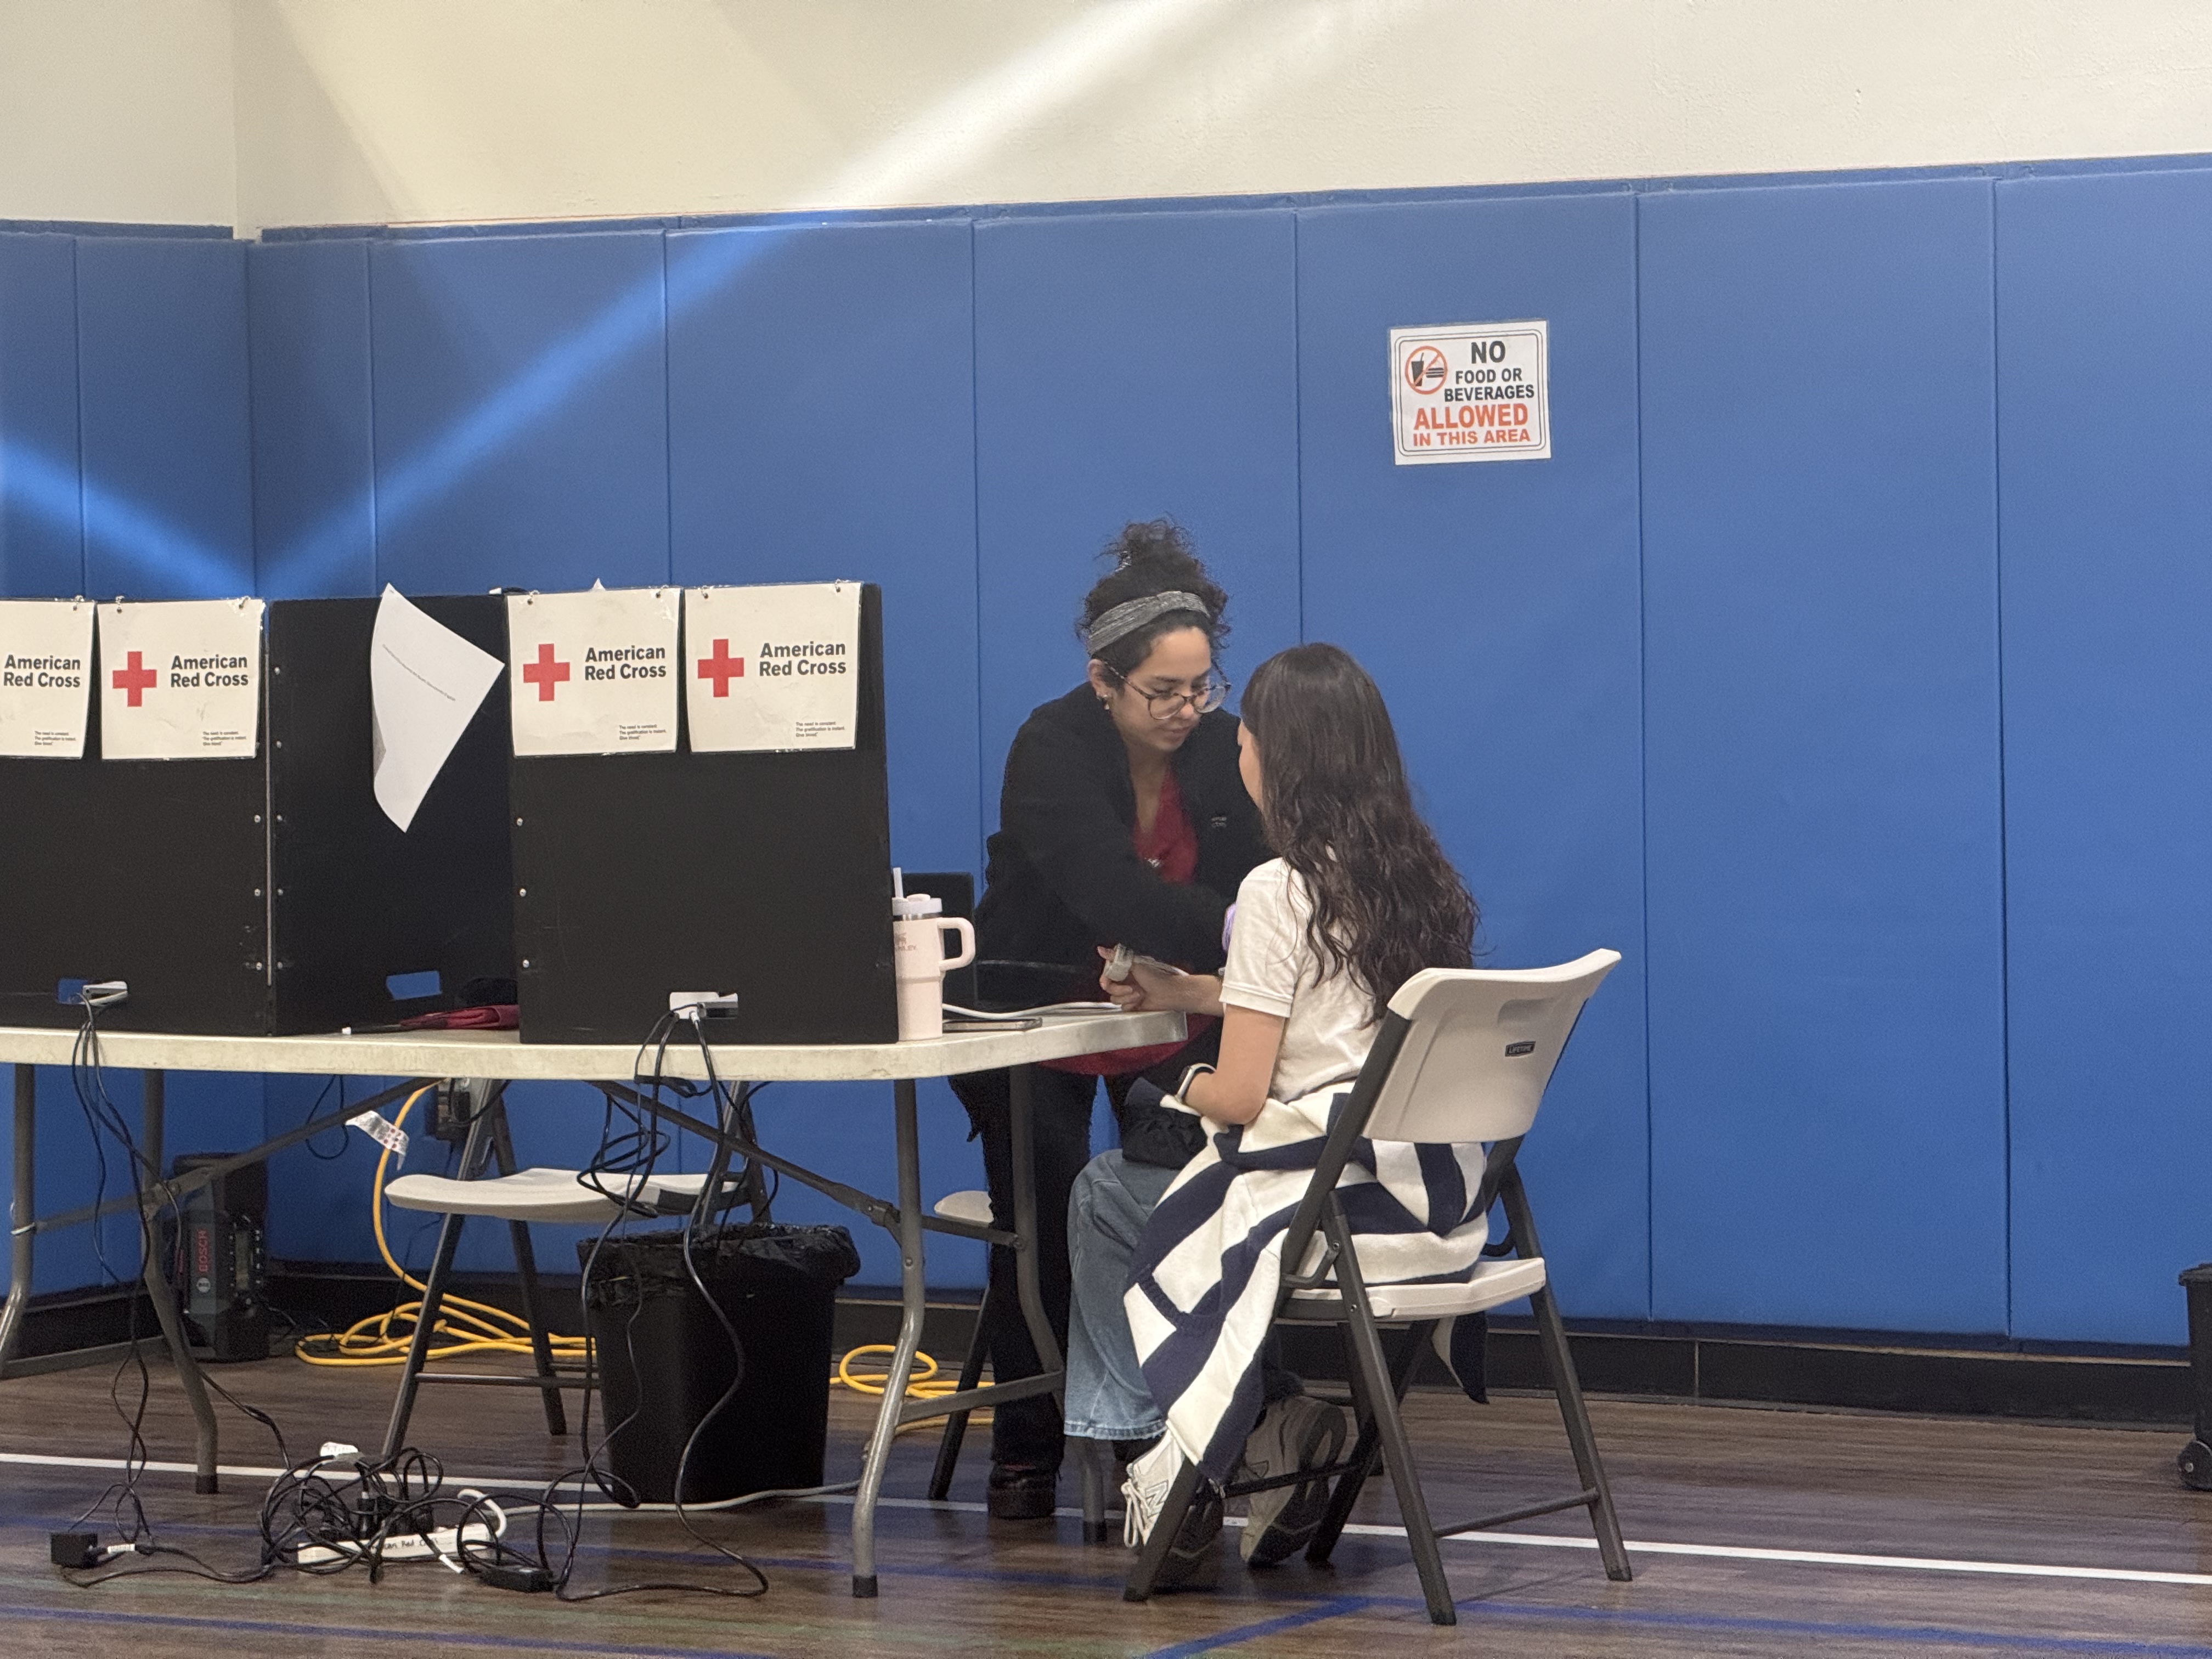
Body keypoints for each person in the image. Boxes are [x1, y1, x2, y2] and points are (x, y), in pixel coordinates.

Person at [1066, 641, 1481, 1587]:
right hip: (1435, 1199)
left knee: (1104, 1190)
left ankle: (1168, 1463)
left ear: (1280, 758)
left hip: (1334, 1207)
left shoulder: (1276, 887)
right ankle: (1267, 1431)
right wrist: (1194, 992)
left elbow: (1244, 1095)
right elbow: (1330, 1005)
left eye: (1246, 734)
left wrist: (1175, 1084)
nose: (1235, 748)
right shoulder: (1416, 877)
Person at [948, 520, 1271, 1520]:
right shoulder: (1048, 745)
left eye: (1202, 686)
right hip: (1039, 1014)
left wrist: (1249, 933)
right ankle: (1027, 1450)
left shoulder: (1224, 747)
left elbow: (1257, 874)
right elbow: (1109, 890)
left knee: (1170, 1215)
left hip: (1172, 1017)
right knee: (1037, 1229)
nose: (1186, 709)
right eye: (1162, 690)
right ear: (1103, 679)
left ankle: (1180, 1439)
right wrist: (1251, 932)